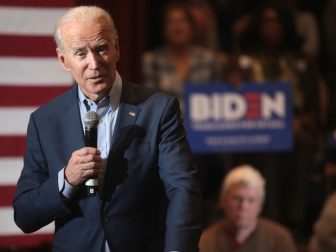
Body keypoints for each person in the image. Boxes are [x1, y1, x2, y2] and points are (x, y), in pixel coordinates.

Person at [12, 6, 202, 252]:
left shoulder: (158, 109)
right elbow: (25, 215)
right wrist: (67, 179)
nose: (94, 63)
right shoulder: (45, 121)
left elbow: (183, 189)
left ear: (117, 48)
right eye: (81, 53)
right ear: (63, 60)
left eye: (101, 48)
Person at [142, 1, 222, 111]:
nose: (177, 27)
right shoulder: (151, 60)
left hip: (202, 125)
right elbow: (150, 104)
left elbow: (218, 100)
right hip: (166, 125)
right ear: (163, 29)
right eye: (171, 22)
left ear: (192, 27)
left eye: (183, 21)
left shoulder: (209, 60)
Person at [199, 165, 297, 252]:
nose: (243, 207)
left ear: (261, 205)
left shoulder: (280, 239)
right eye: (237, 199)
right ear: (223, 201)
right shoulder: (205, 242)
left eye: (251, 200)